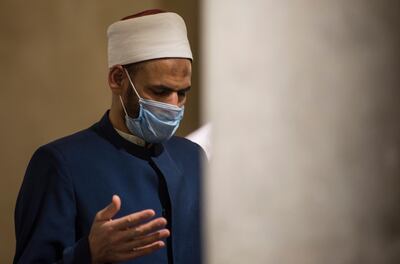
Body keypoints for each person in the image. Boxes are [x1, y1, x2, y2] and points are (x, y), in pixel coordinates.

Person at [14, 9, 204, 264]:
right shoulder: (61, 164)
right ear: (117, 79)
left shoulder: (192, 157)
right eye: (160, 91)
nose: (174, 105)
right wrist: (88, 254)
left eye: (182, 93)